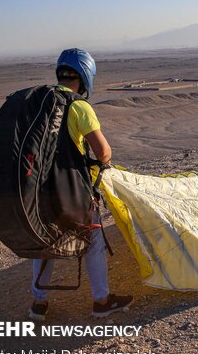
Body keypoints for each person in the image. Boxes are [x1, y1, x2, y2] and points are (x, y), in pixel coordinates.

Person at [29, 48, 133, 321]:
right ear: (86, 77)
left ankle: (38, 303)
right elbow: (103, 151)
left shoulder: (41, 101)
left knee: (45, 243)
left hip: (38, 190)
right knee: (94, 240)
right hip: (72, 192)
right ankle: (102, 301)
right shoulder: (78, 106)